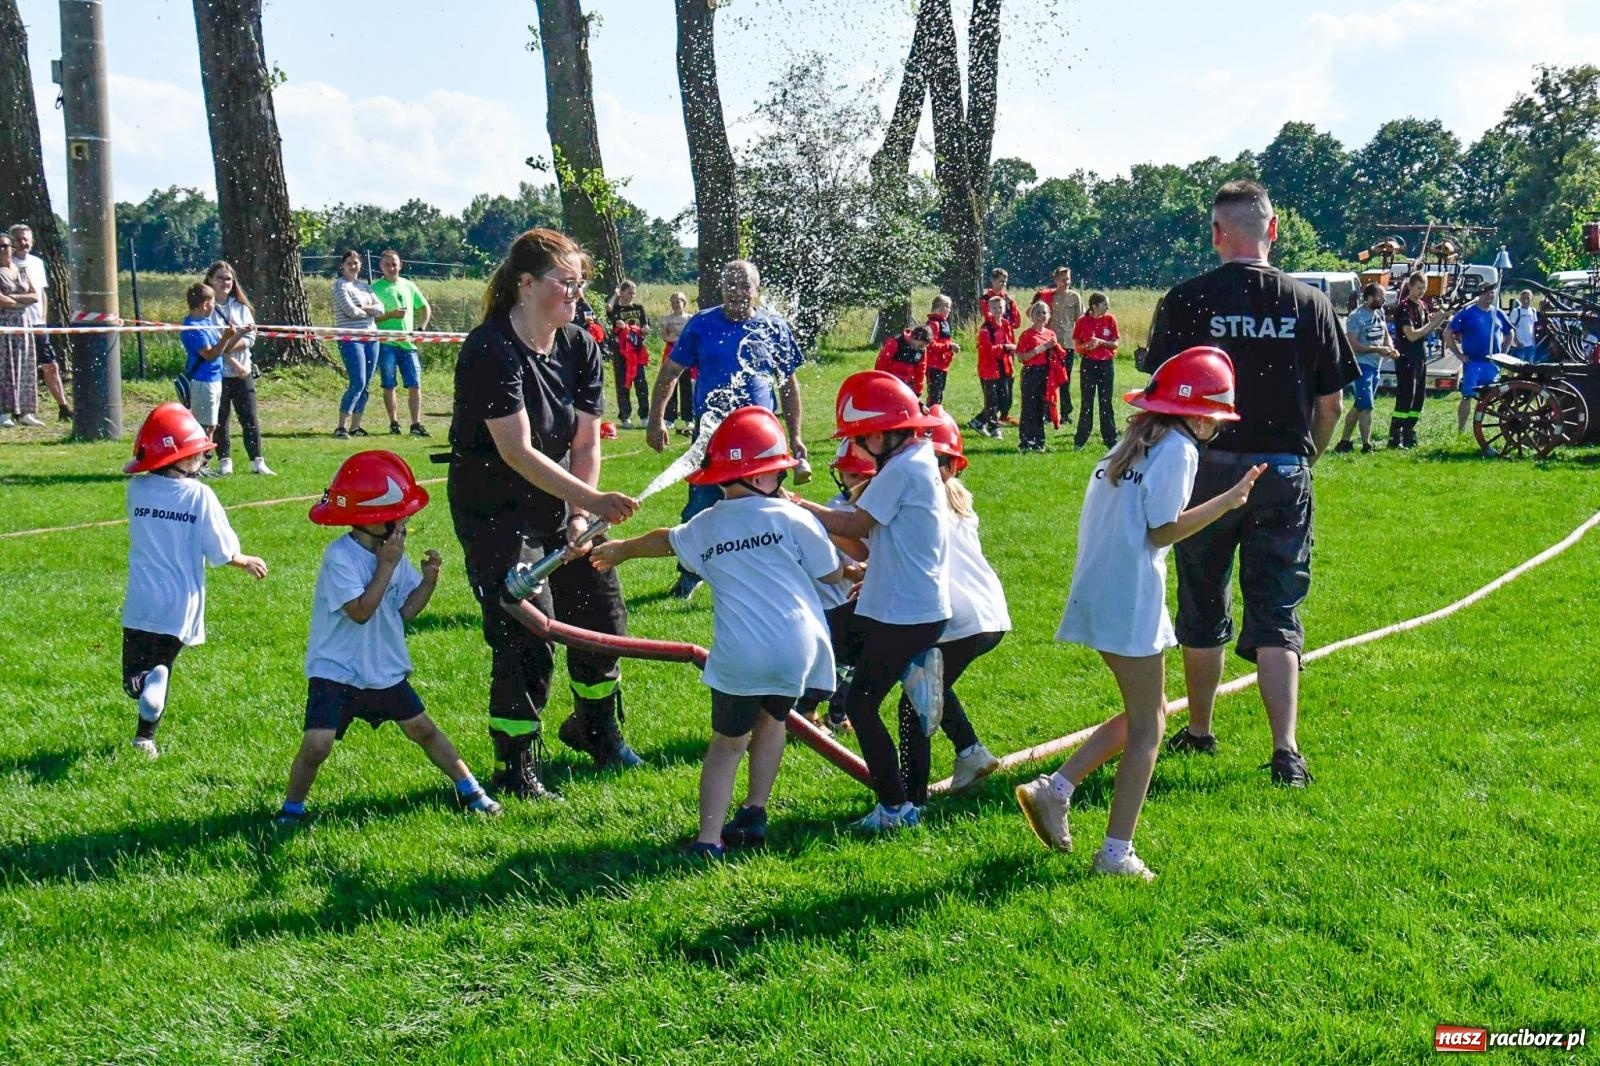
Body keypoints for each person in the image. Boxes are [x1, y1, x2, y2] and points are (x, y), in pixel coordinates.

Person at [1015, 348, 1263, 879]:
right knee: (1150, 727)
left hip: (1102, 590)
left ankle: (1055, 789)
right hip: (1129, 598)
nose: (1214, 430)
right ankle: (1114, 853)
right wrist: (1229, 500)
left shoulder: (1136, 440)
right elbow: (1161, 530)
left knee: (1147, 713)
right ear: (1198, 416)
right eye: (1216, 421)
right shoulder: (1179, 450)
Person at [1142, 179, 1357, 788]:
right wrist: (1303, 455)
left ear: (1216, 234)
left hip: (1203, 468)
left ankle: (1201, 729)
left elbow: (1159, 401)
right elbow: (1331, 402)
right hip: (1283, 468)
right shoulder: (1308, 302)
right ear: (1274, 228)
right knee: (1277, 608)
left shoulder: (1186, 300)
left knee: (1202, 598)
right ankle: (1285, 750)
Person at [591, 408, 846, 856]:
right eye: (777, 474)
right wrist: (854, 566)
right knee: (774, 722)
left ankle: (709, 839)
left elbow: (664, 538)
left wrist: (621, 552)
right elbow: (829, 575)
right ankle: (754, 813)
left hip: (741, 655)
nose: (782, 483)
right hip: (797, 648)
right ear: (759, 476)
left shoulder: (706, 525)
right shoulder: (793, 519)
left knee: (727, 745)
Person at [447, 227, 641, 800]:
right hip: (496, 511)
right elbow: (516, 450)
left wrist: (582, 517)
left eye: (582, 286)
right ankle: (516, 766)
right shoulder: (489, 349)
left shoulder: (581, 344)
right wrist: (593, 502)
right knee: (526, 626)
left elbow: (586, 444)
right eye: (566, 284)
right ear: (526, 285)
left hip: (562, 501)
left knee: (601, 613)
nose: (576, 296)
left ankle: (597, 732)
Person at [273, 450, 501, 827]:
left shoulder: (389, 554)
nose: (404, 526)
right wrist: (388, 565)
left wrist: (427, 582)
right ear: (371, 520)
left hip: (382, 667)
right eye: (398, 519)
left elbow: (402, 614)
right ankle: (292, 810)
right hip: (337, 670)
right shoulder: (341, 558)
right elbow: (361, 612)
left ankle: (471, 790)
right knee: (317, 745)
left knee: (422, 729)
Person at [790, 371, 949, 832]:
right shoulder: (913, 459)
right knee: (873, 673)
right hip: (904, 606)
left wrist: (804, 508)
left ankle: (897, 809)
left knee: (861, 705)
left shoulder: (903, 467)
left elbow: (857, 525)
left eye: (862, 438)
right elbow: (871, 540)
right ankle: (912, 792)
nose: (858, 448)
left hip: (905, 611)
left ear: (885, 431)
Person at [644, 260, 807, 600]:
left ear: (756, 289)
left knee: (770, 509)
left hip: (763, 439)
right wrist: (657, 419)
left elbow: (788, 386)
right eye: (730, 285)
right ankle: (689, 575)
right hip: (713, 434)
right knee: (699, 509)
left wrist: (795, 437)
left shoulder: (773, 327)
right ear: (720, 289)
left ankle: (772, 578)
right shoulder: (702, 324)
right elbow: (671, 372)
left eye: (744, 285)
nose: (736, 292)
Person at [120, 403, 268, 758]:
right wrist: (243, 559)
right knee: (163, 667)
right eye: (197, 456)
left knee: (134, 680)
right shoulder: (200, 496)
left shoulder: (136, 491)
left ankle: (144, 703)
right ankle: (145, 738)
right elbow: (220, 550)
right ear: (179, 459)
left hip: (141, 601)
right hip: (181, 604)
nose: (201, 461)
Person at [914, 405, 1004, 794]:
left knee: (918, 698)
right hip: (988, 614)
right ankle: (970, 752)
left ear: (952, 467)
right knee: (928, 684)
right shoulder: (959, 502)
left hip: (960, 618)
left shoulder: (927, 506)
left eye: (937, 461)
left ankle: (907, 797)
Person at [203, 260, 274, 476]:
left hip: (243, 372)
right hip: (219, 373)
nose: (225, 282)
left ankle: (257, 460)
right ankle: (225, 460)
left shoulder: (241, 307)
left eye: (228, 278)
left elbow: (250, 337)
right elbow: (215, 345)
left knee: (249, 417)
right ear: (210, 280)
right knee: (221, 418)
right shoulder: (207, 311)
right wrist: (233, 354)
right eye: (220, 278)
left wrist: (237, 341)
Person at [8, 224, 70, 421]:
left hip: (37, 323)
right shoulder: (7, 264)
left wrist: (42, 319)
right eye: (18, 239)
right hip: (15, 322)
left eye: (26, 239)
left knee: (50, 364)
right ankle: (15, 410)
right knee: (16, 367)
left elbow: (41, 293)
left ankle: (64, 406)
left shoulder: (36, 263)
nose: (22, 243)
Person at [179, 282, 242, 472]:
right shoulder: (193, 327)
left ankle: (202, 463)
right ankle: (197, 465)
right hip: (203, 381)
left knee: (211, 424)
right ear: (205, 304)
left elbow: (221, 348)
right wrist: (225, 338)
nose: (214, 306)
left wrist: (233, 335)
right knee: (203, 426)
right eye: (213, 302)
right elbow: (209, 354)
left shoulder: (207, 322)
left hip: (214, 378)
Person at [371, 250, 433, 437]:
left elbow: (424, 307)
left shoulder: (409, 285)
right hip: (386, 343)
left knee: (415, 384)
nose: (391, 268)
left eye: (394, 264)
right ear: (381, 267)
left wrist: (420, 329)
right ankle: (394, 423)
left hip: (408, 344)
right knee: (389, 384)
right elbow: (371, 318)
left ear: (400, 265)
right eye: (387, 264)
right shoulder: (374, 288)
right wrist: (391, 315)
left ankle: (416, 424)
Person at [1388, 272, 1447, 449]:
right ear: (1410, 287)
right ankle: (1395, 434)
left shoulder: (1422, 306)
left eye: (1424, 289)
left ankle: (1409, 431)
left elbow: (1428, 329)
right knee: (1406, 394)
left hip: (1420, 355)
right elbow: (1412, 335)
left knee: (1418, 396)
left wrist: (1442, 317)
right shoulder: (1403, 308)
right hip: (1406, 355)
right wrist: (1435, 321)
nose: (1421, 292)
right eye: (1418, 288)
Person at [1334, 283, 1394, 454]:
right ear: (1368, 298)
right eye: (1380, 296)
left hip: (1376, 366)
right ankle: (1367, 445)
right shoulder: (1356, 317)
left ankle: (1344, 442)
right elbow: (1353, 345)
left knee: (1360, 405)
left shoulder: (1379, 312)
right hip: (1361, 366)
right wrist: (1377, 349)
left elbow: (1385, 334)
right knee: (1367, 405)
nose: (1383, 299)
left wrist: (1390, 347)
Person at [1444, 285, 1512, 434]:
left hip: (1492, 364)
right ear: (1479, 295)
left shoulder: (1498, 314)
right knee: (1468, 395)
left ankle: (1480, 428)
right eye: (1487, 292)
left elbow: (1509, 333)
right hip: (1473, 362)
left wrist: (1504, 354)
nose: (1490, 295)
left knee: (1488, 398)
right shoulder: (1466, 314)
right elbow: (1448, 333)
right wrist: (1459, 354)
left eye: (1492, 293)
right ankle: (1461, 429)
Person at [332, 250, 384, 439]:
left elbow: (381, 309)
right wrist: (368, 311)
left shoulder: (366, 287)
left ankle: (355, 426)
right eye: (349, 263)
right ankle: (341, 426)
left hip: (372, 339)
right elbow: (350, 312)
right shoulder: (339, 286)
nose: (353, 266)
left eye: (356, 262)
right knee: (358, 382)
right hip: (351, 340)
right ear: (343, 265)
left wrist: (364, 309)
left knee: (366, 384)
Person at [0, 232, 42, 428]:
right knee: (5, 367)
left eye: (6, 246)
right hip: (3, 325)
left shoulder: (22, 270)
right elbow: (2, 300)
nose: (3, 250)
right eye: (0, 246)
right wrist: (19, 299)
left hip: (24, 323)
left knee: (25, 364)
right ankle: (5, 411)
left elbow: (35, 296)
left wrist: (14, 299)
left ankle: (25, 411)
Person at [1072, 292, 1121, 450]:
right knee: (1087, 402)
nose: (1108, 307)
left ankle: (1110, 438)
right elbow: (1077, 346)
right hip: (1088, 364)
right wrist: (1087, 346)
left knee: (1106, 402)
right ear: (1095, 306)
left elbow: (1115, 344)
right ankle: (1080, 439)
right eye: (1105, 304)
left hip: (1106, 364)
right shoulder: (1082, 321)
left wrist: (1101, 342)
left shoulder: (1110, 320)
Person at [1016, 301, 1064, 452]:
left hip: (1046, 373)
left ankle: (1039, 441)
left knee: (1042, 408)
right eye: (1037, 313)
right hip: (1031, 373)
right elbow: (1022, 358)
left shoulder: (1051, 334)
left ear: (1048, 316)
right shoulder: (1027, 335)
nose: (1041, 316)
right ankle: (1026, 440)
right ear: (1032, 315)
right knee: (1029, 407)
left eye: (1044, 313)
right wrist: (1042, 348)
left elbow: (1058, 354)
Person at [969, 296, 1016, 439]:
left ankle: (978, 421)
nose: (998, 310)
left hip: (1005, 366)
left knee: (1005, 401)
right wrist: (1005, 347)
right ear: (989, 310)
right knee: (992, 400)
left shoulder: (1006, 324)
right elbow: (988, 350)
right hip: (989, 369)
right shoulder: (985, 329)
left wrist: (1011, 349)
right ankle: (994, 428)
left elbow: (1011, 342)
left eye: (1000, 307)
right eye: (994, 308)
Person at [607, 280, 652, 428]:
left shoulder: (639, 308)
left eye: (634, 292)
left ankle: (645, 415)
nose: (633, 295)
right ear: (622, 292)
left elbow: (646, 325)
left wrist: (645, 329)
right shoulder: (616, 308)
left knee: (641, 384)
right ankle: (625, 417)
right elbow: (608, 307)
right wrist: (615, 294)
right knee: (623, 384)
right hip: (621, 352)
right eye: (629, 292)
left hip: (637, 351)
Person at [1042, 266, 1082, 423]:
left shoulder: (1075, 297)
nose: (1066, 282)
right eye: (1063, 279)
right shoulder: (1049, 297)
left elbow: (1080, 320)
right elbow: (1035, 313)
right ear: (1056, 280)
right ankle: (1047, 411)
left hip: (1068, 343)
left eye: (1068, 279)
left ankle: (1065, 412)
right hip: (1050, 343)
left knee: (1065, 379)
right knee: (1049, 378)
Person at [658, 291, 694, 430]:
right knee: (669, 385)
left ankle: (688, 417)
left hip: (685, 354)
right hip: (671, 352)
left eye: (678, 301)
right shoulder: (666, 319)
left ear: (684, 302)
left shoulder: (690, 318)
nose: (676, 304)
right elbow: (665, 337)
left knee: (686, 387)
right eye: (673, 302)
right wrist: (679, 337)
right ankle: (669, 417)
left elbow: (690, 338)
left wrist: (675, 335)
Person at [874, 324, 932, 400]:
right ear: (915, 337)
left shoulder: (922, 351)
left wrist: (918, 392)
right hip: (890, 383)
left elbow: (920, 372)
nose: (921, 348)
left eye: (924, 346)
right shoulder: (896, 342)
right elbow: (881, 363)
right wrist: (882, 382)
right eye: (921, 345)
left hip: (907, 386)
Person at [923, 294, 958, 408]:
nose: (949, 310)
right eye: (946, 306)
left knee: (939, 393)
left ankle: (935, 414)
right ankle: (930, 415)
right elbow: (930, 345)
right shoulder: (933, 324)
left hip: (942, 365)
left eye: (950, 307)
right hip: (933, 365)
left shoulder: (943, 322)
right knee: (934, 394)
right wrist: (949, 347)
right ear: (937, 307)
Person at [1507, 288, 1538, 356]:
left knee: (1530, 366)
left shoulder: (1533, 311)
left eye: (1528, 298)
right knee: (1518, 366)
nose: (1526, 300)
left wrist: (1533, 342)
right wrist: (1517, 342)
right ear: (1520, 299)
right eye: (1523, 298)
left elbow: (1532, 327)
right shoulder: (1516, 311)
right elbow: (1511, 328)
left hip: (1530, 345)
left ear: (1532, 299)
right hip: (1519, 346)